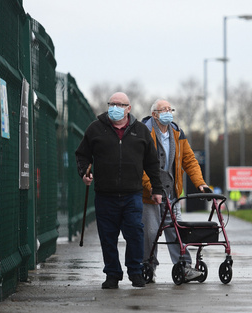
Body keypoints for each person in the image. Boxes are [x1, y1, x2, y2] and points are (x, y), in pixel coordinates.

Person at [75, 92, 163, 289]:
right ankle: (112, 274)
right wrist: (84, 172)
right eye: (112, 104)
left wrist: (157, 189)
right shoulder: (95, 129)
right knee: (107, 236)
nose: (115, 107)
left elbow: (152, 163)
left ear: (128, 108)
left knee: (135, 234)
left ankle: (135, 271)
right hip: (105, 194)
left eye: (120, 104)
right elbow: (82, 154)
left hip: (132, 194)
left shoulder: (140, 131)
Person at [141, 99, 209, 282]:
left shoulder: (177, 133)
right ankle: (147, 266)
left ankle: (184, 266)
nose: (168, 112)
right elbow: (139, 166)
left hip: (171, 194)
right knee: (151, 232)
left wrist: (200, 183)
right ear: (154, 114)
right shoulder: (143, 132)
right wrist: (152, 188)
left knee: (177, 231)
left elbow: (189, 160)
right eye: (164, 109)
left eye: (170, 109)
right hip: (148, 195)